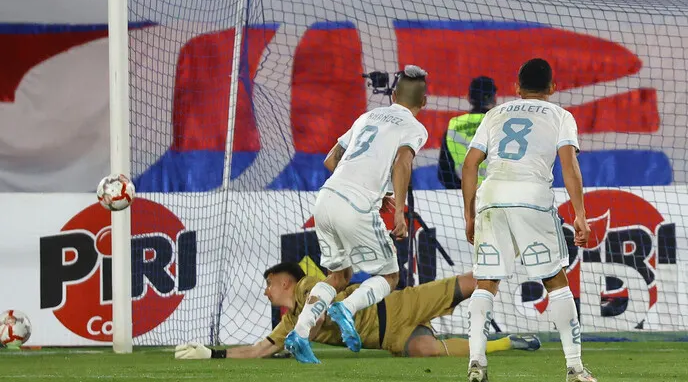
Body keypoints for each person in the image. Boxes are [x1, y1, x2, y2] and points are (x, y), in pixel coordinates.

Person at [461, 58, 595, 382]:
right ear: (552, 87)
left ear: (516, 87)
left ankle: (476, 361)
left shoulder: (494, 114)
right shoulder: (561, 116)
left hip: (492, 197)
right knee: (556, 282)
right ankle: (575, 368)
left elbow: (470, 163)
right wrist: (580, 214)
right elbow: (569, 165)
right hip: (531, 198)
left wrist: (469, 214)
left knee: (486, 283)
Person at [282, 66, 429, 364]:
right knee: (389, 276)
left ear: (394, 95)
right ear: (423, 102)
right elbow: (402, 163)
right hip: (357, 205)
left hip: (326, 198)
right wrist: (399, 212)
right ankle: (346, 308)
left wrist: (368, 188)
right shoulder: (414, 127)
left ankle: (300, 332)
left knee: (338, 276)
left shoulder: (367, 117)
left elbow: (330, 160)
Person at [175, 263, 541, 360]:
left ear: (285, 282)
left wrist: (301, 337)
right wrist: (212, 353)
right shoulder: (289, 323)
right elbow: (257, 350)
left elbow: (319, 314)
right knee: (425, 350)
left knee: (471, 282)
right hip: (389, 337)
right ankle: (506, 343)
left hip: (397, 304)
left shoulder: (308, 287)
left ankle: (516, 260)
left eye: (269, 284)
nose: (265, 291)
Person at [438, 76, 497, 189]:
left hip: (461, 193)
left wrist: (464, 189)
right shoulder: (499, 123)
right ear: (494, 98)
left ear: (469, 98)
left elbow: (444, 173)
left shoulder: (454, 125)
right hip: (494, 192)